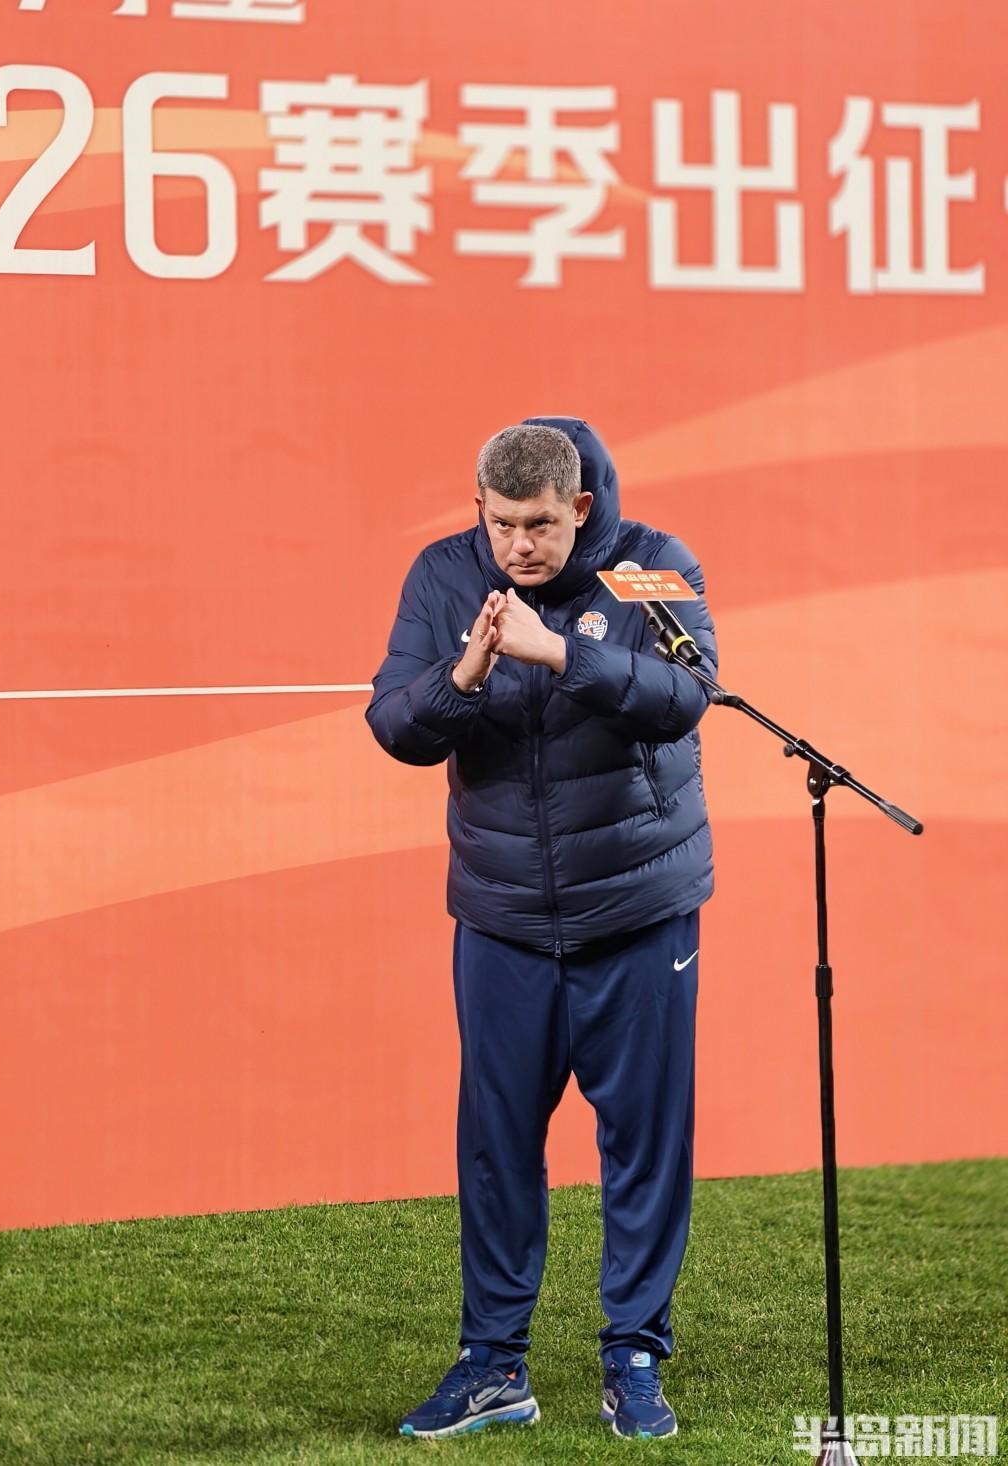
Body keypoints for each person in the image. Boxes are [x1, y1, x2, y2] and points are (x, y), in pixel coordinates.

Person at [365, 416, 717, 1441]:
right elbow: (394, 723)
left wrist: (561, 652)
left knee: (644, 1143)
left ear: (581, 508)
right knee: (496, 1143)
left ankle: (634, 1353)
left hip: (638, 906)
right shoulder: (443, 577)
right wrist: (464, 676)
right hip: (503, 914)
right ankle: (492, 1363)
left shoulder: (651, 566)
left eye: (540, 526)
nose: (518, 546)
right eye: (501, 524)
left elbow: (688, 696)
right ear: (479, 509)